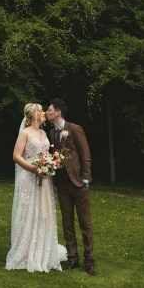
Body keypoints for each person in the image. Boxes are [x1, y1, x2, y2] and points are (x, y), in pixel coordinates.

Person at [5, 103, 67, 272]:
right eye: (40, 111)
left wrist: (50, 164)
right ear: (32, 115)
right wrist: (34, 168)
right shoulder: (25, 133)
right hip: (28, 177)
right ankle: (25, 250)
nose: (43, 113)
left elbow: (45, 155)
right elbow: (16, 156)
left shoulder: (44, 133)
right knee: (29, 211)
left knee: (41, 212)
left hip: (44, 178)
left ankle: (42, 248)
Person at [46, 98, 95, 276]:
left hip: (78, 183)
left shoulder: (74, 129)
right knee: (67, 223)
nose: (47, 112)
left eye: (49, 109)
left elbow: (85, 155)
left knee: (85, 223)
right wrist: (54, 181)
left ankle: (89, 261)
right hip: (63, 185)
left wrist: (86, 179)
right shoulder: (52, 133)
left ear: (58, 112)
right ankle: (72, 259)